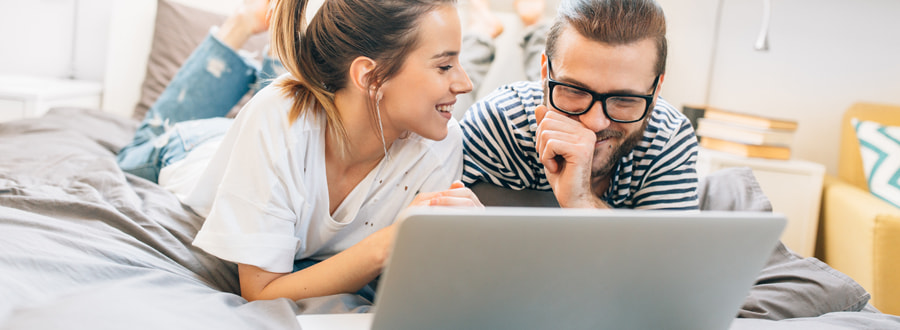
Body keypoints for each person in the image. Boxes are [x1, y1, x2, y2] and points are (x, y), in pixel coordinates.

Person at [116, 0, 481, 302]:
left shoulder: (441, 145)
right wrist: (389, 243)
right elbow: (261, 290)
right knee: (135, 147)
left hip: (284, 134)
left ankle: (274, 63)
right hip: (191, 149)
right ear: (370, 77)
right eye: (445, 65)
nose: (465, 83)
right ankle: (239, 28)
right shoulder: (276, 118)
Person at [460, 0, 699, 210]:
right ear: (545, 73)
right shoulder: (501, 123)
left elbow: (664, 261)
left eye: (624, 99)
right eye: (574, 90)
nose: (594, 123)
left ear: (656, 90)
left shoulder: (669, 138)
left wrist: (581, 201)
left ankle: (535, 25)